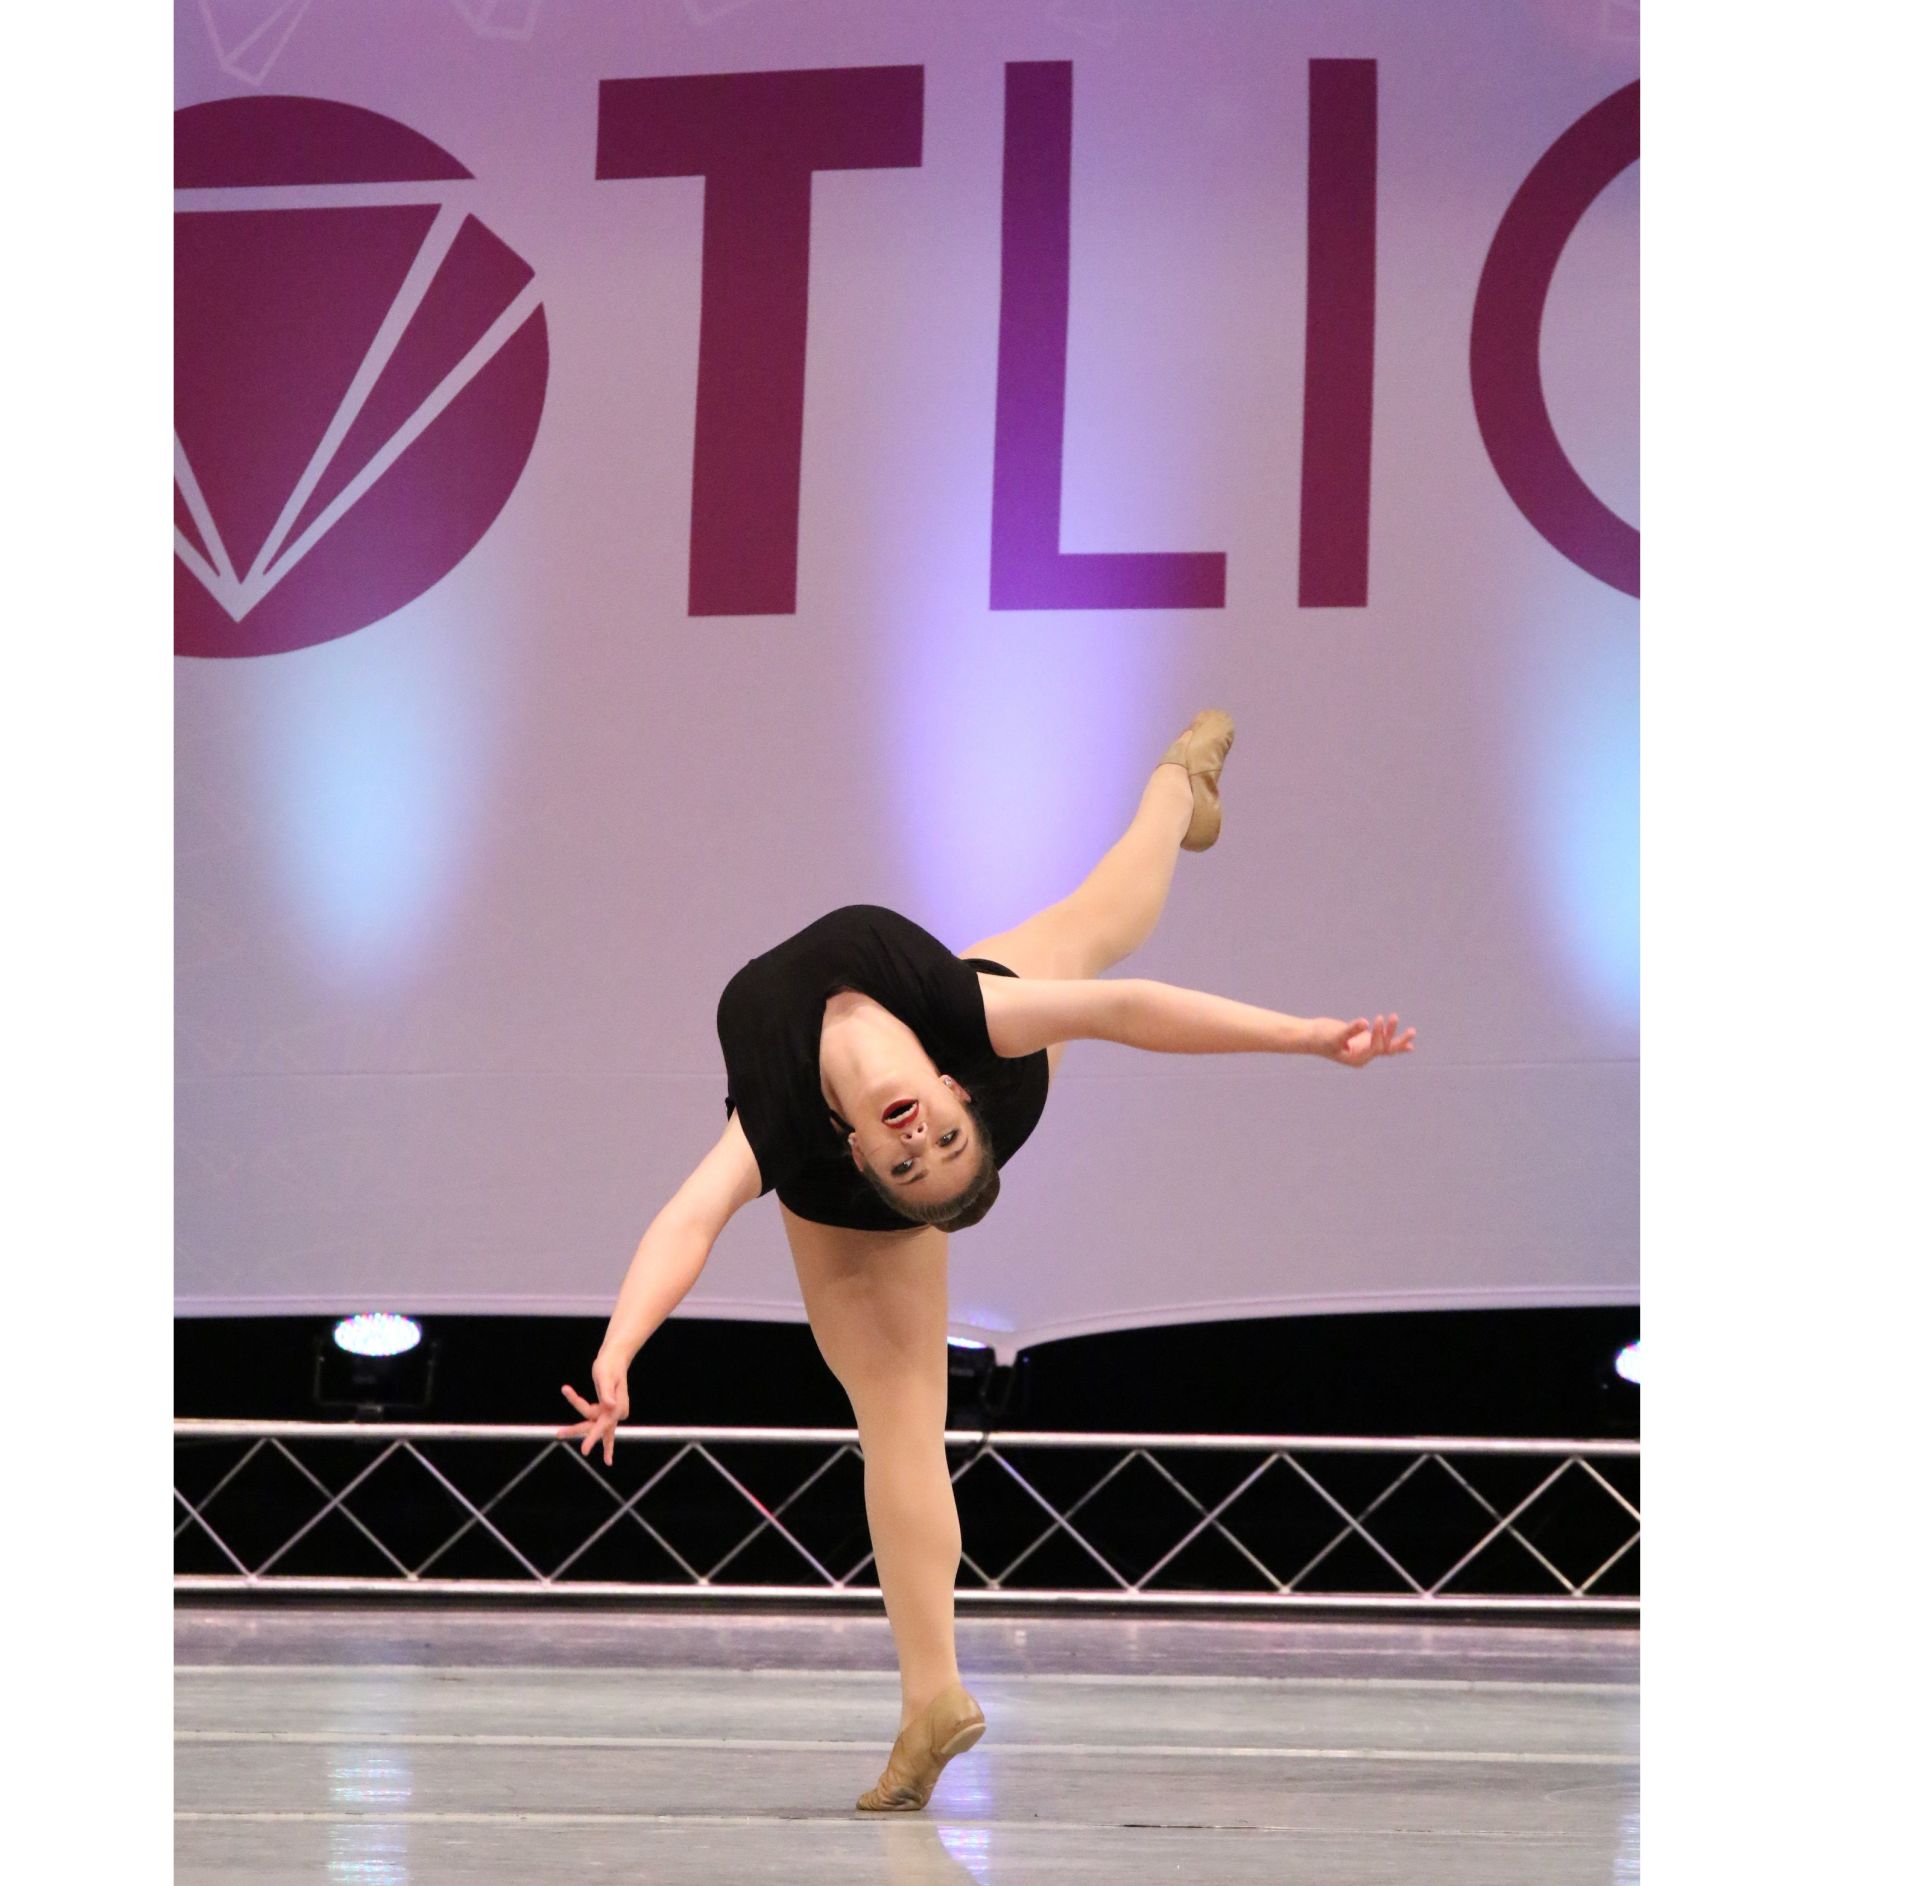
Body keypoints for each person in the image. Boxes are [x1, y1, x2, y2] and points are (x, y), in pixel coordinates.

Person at [558, 710, 1415, 1811]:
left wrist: (622, 1343)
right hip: (920, 1143)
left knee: (900, 1412)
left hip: (942, 1139)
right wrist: (1311, 1033)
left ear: (909, 1126)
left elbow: (686, 1220)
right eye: (926, 1148)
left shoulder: (877, 1083)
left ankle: (933, 1696)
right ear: (910, 1122)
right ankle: (1176, 791)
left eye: (919, 1152)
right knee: (1097, 923)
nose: (919, 1142)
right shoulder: (892, 1081)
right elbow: (1125, 1008)